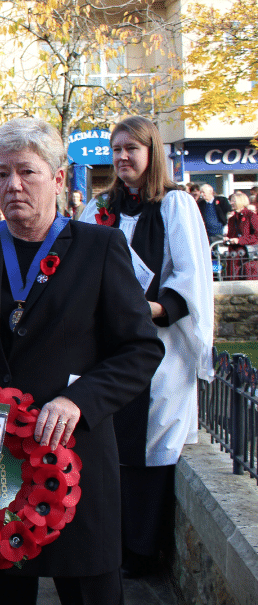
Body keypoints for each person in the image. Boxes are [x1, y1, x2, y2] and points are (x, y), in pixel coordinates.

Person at [0, 117, 163, 605]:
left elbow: (140, 350)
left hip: (75, 460)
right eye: (1, 174)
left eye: (27, 172)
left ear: (59, 177)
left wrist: (79, 400)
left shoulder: (100, 247)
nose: (14, 185)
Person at [79, 116, 214, 577]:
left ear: (152, 152)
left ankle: (141, 550)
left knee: (151, 442)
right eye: (116, 149)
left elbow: (191, 276)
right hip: (108, 347)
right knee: (107, 442)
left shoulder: (175, 205)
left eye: (132, 149)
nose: (122, 157)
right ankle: (108, 544)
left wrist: (148, 309)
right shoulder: (102, 207)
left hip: (160, 347)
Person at [227, 190, 258, 279]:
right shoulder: (232, 219)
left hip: (248, 255)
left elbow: (256, 235)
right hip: (234, 255)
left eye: (234, 201)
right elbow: (231, 235)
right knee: (233, 279)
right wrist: (227, 239)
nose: (231, 203)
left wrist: (240, 240)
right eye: (231, 201)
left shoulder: (251, 216)